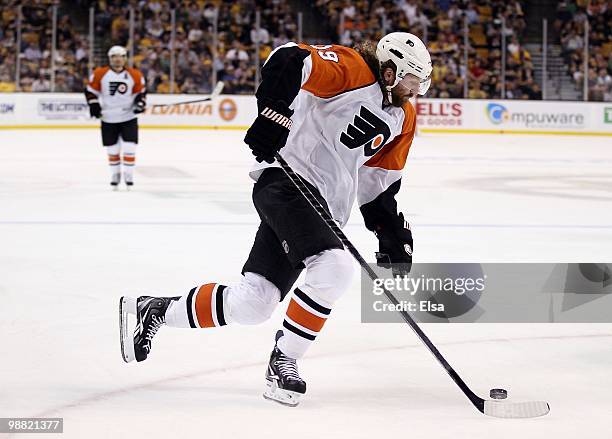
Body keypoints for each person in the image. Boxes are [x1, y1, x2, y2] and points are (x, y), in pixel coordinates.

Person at [120, 32, 432, 406]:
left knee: (253, 304)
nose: (414, 91)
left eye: (420, 85)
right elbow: (289, 59)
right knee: (333, 267)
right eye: (411, 81)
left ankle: (154, 309)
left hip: (323, 207)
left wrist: (390, 233)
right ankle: (285, 359)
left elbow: (378, 181)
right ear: (389, 69)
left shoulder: (405, 117)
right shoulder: (352, 70)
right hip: (286, 181)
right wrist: (273, 116)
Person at [85, 46, 146, 190]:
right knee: (112, 149)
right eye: (114, 56)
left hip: (128, 116)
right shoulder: (100, 74)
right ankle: (115, 174)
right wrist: (94, 104)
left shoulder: (135, 74)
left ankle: (129, 175)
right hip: (108, 117)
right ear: (110, 58)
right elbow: (90, 92)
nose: (118, 59)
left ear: (125, 58)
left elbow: (141, 93)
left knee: (130, 146)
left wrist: (139, 103)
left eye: (121, 56)